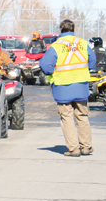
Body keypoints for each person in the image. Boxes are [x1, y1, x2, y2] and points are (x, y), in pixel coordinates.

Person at [39, 20, 96, 157]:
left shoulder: (56, 46)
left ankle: (74, 149)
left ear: (60, 29)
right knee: (82, 116)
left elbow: (46, 66)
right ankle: (87, 147)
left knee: (67, 118)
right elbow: (92, 62)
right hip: (81, 86)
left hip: (63, 87)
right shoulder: (82, 43)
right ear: (74, 29)